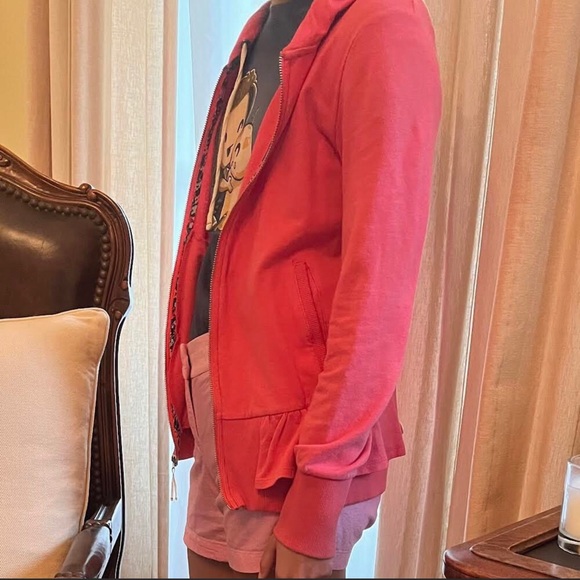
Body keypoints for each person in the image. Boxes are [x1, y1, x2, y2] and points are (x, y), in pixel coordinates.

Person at [165, 0, 441, 577]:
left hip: (298, 442)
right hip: (225, 409)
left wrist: (320, 488)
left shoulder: (382, 25)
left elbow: (379, 288)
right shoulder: (262, 28)